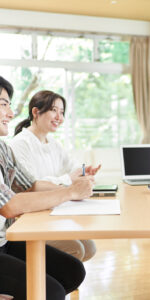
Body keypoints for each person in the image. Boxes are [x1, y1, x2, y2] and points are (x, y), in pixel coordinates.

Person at [0, 76, 92, 299]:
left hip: (4, 240)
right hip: (7, 235)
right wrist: (69, 191)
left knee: (73, 272)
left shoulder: (3, 148)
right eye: (4, 105)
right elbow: (10, 206)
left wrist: (73, 187)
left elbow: (30, 185)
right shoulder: (20, 142)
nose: (11, 114)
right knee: (51, 292)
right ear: (36, 113)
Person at [9, 90, 100, 262]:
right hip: (30, 215)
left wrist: (83, 172)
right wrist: (69, 181)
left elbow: (71, 167)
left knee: (89, 247)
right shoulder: (20, 144)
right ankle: (46, 286)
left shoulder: (53, 143)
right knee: (76, 249)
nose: (59, 117)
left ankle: (62, 282)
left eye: (62, 112)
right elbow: (31, 186)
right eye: (54, 110)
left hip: (53, 209)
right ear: (36, 112)